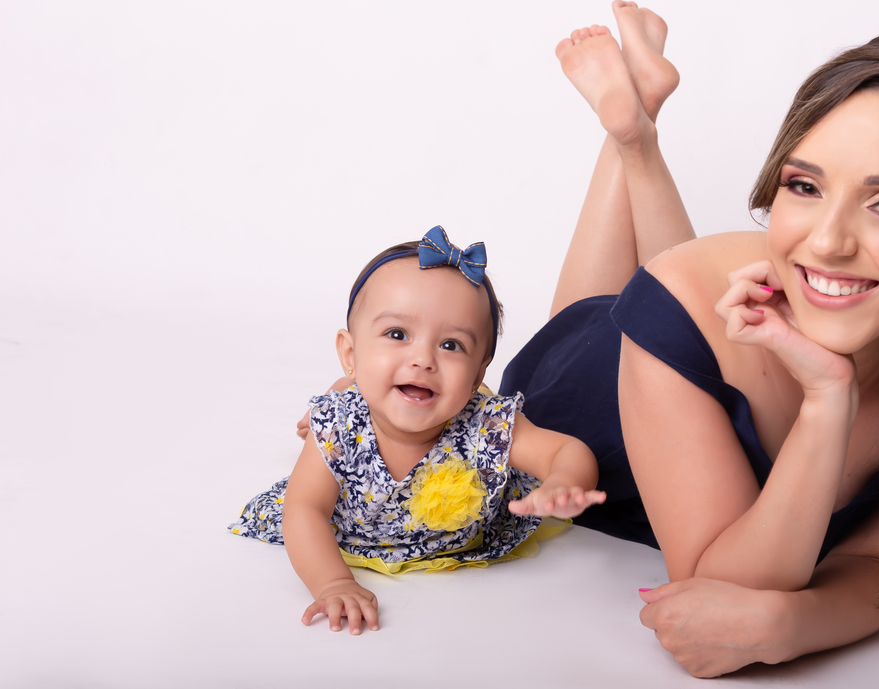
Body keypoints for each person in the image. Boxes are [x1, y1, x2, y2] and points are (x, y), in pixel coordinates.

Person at [496, 1, 879, 676]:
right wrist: (827, 400)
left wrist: (797, 622)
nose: (828, 239)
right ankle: (631, 137)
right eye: (804, 185)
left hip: (707, 321)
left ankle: (636, 126)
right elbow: (721, 587)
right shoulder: (681, 303)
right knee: (598, 312)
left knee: (689, 293)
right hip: (582, 390)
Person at [236, 226, 605, 635]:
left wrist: (565, 481)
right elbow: (304, 509)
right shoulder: (339, 426)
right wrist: (333, 582)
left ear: (479, 371)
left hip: (470, 533)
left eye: (451, 345)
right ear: (350, 353)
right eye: (397, 334)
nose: (423, 359)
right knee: (350, 400)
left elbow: (564, 450)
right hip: (353, 528)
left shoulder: (487, 424)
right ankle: (350, 382)